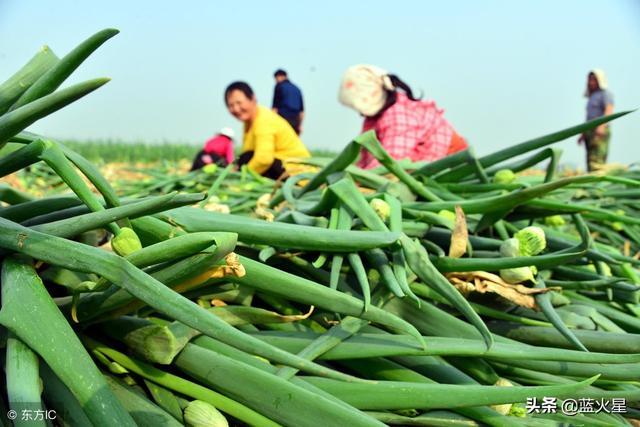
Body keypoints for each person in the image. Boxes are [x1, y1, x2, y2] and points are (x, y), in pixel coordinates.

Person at [338, 64, 468, 169]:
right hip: (418, 161)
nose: (360, 114)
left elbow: (390, 162)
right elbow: (369, 155)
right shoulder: (375, 118)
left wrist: (359, 180)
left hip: (450, 161)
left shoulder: (399, 116)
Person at [225, 81, 311, 179]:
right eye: (231, 105)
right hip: (282, 171)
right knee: (244, 158)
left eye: (239, 103)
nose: (236, 109)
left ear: (253, 98)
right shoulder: (248, 123)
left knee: (247, 157)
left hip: (299, 177)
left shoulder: (264, 119)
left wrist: (241, 179)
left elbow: (264, 159)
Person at [578, 69, 614, 172]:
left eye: (594, 80)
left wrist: (601, 126)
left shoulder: (605, 94)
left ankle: (598, 184)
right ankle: (591, 183)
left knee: (597, 160)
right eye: (589, 80)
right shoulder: (592, 97)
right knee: (590, 159)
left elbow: (609, 110)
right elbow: (589, 117)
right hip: (589, 131)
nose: (591, 82)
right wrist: (583, 133)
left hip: (599, 130)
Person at [272, 69, 304, 134]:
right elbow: (302, 111)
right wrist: (300, 125)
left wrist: (272, 122)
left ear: (279, 77)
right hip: (295, 120)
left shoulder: (279, 86)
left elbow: (275, 107)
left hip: (283, 118)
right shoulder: (297, 88)